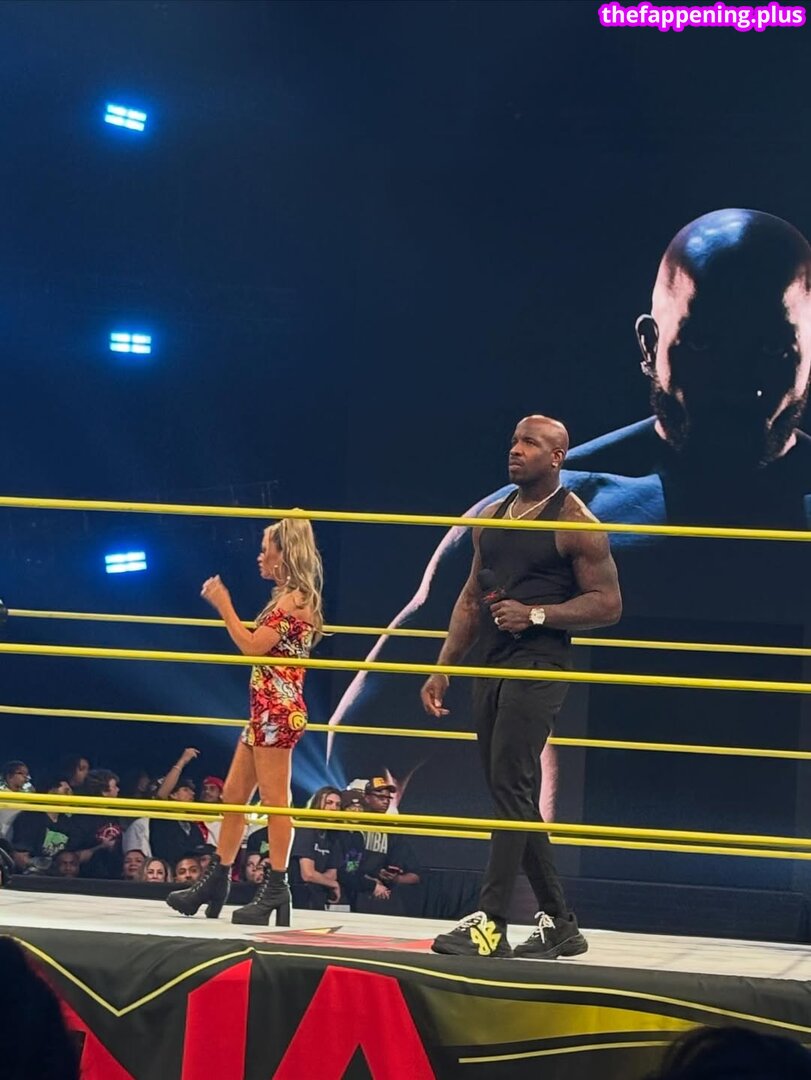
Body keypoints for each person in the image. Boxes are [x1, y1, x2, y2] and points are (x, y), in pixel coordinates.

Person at [326, 208, 811, 821]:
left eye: (772, 349)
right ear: (650, 344)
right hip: (573, 867)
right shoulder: (546, 510)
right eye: (707, 345)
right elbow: (360, 747)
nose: (739, 384)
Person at [423, 415, 621, 959]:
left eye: (530, 443)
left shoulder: (575, 521)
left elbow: (608, 604)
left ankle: (490, 922)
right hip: (490, 663)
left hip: (539, 664)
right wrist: (444, 667)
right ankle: (560, 923)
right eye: (514, 440)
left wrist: (537, 614)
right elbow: (469, 598)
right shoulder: (492, 516)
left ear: (557, 456)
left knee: (511, 785)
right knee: (510, 792)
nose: (515, 450)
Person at [166, 518, 324, 926]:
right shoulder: (286, 597)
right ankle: (216, 880)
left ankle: (276, 886)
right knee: (233, 797)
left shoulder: (296, 600)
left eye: (265, 548)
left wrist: (224, 605)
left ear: (284, 553)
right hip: (264, 712)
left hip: (278, 712)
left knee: (275, 803)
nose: (259, 556)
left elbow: (254, 647)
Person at [338, 779, 421, 916]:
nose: (385, 801)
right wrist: (370, 881)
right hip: (354, 890)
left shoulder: (391, 830)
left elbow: (415, 874)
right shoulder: (354, 827)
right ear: (366, 798)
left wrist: (393, 877)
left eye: (388, 798)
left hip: (381, 893)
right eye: (380, 797)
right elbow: (349, 868)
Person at [290, 786, 342, 909]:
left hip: (318, 895)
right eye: (329, 803)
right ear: (318, 803)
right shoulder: (306, 828)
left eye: (338, 805)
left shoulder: (333, 834)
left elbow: (332, 873)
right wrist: (333, 884)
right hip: (298, 895)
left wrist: (326, 880)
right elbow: (308, 874)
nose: (334, 808)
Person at [66, 769, 123, 879]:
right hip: (90, 878)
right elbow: (74, 856)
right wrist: (101, 847)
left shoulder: (113, 814)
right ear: (104, 792)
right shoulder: (82, 819)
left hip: (115, 876)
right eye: (115, 787)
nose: (118, 790)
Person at [11, 774, 72, 873]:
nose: (70, 796)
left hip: (59, 875)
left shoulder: (66, 821)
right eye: (66, 791)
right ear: (51, 791)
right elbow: (20, 857)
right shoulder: (30, 818)